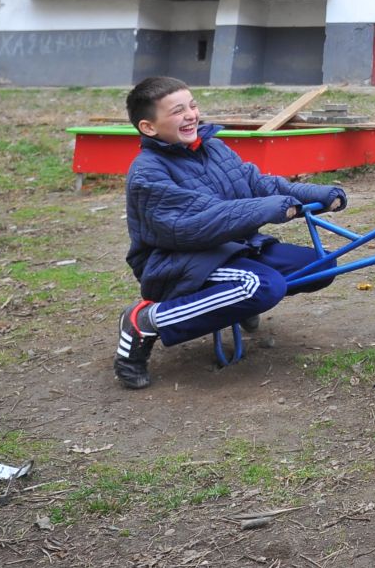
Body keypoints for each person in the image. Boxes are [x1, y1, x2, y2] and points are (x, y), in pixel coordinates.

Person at [114, 75, 349, 390]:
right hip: (177, 262)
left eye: (192, 106)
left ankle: (231, 306)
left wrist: (315, 194)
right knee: (259, 287)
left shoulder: (213, 148)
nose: (190, 115)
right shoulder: (148, 173)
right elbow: (196, 223)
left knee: (318, 267)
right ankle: (144, 322)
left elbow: (257, 183)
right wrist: (266, 209)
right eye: (177, 111)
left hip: (232, 247)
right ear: (149, 127)